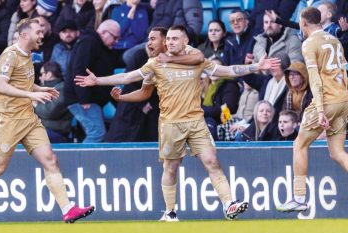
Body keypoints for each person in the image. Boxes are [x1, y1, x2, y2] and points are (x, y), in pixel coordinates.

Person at [108, 25, 280, 221]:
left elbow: (228, 70)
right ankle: (170, 212)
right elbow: (126, 77)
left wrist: (255, 67)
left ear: (185, 41)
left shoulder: (196, 60)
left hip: (196, 122)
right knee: (171, 168)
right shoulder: (156, 64)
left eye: (174, 39)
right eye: (169, 39)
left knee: (212, 161)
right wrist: (98, 81)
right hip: (171, 123)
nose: (170, 42)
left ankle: (229, 204)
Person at [0, 18, 94, 225]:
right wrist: (31, 96)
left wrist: (39, 89)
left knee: (50, 160)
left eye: (42, 31)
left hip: (29, 119)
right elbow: (1, 85)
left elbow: (23, 82)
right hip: (8, 120)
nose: (42, 35)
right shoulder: (9, 55)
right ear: (24, 35)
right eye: (38, 32)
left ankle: (68, 209)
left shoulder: (28, 56)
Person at [74, 27, 206, 142]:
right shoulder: (151, 62)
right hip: (151, 115)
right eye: (149, 40)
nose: (149, 44)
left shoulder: (187, 59)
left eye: (153, 39)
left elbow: (201, 60)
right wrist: (98, 81)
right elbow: (127, 77)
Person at [277, 7, 348, 213]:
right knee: (337, 152)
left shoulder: (309, 44)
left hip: (326, 101)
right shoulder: (334, 40)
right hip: (343, 99)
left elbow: (315, 79)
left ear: (304, 23)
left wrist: (319, 110)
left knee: (299, 144)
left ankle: (299, 197)